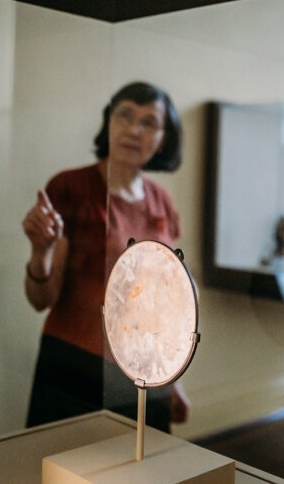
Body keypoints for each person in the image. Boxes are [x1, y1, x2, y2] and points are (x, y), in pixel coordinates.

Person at [22, 81, 189, 432]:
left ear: (164, 138)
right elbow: (41, 299)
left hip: (145, 369)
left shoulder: (161, 201)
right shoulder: (71, 188)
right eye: (125, 115)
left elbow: (167, 306)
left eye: (149, 122)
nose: (133, 129)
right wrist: (41, 251)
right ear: (108, 123)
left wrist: (174, 377)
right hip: (75, 364)